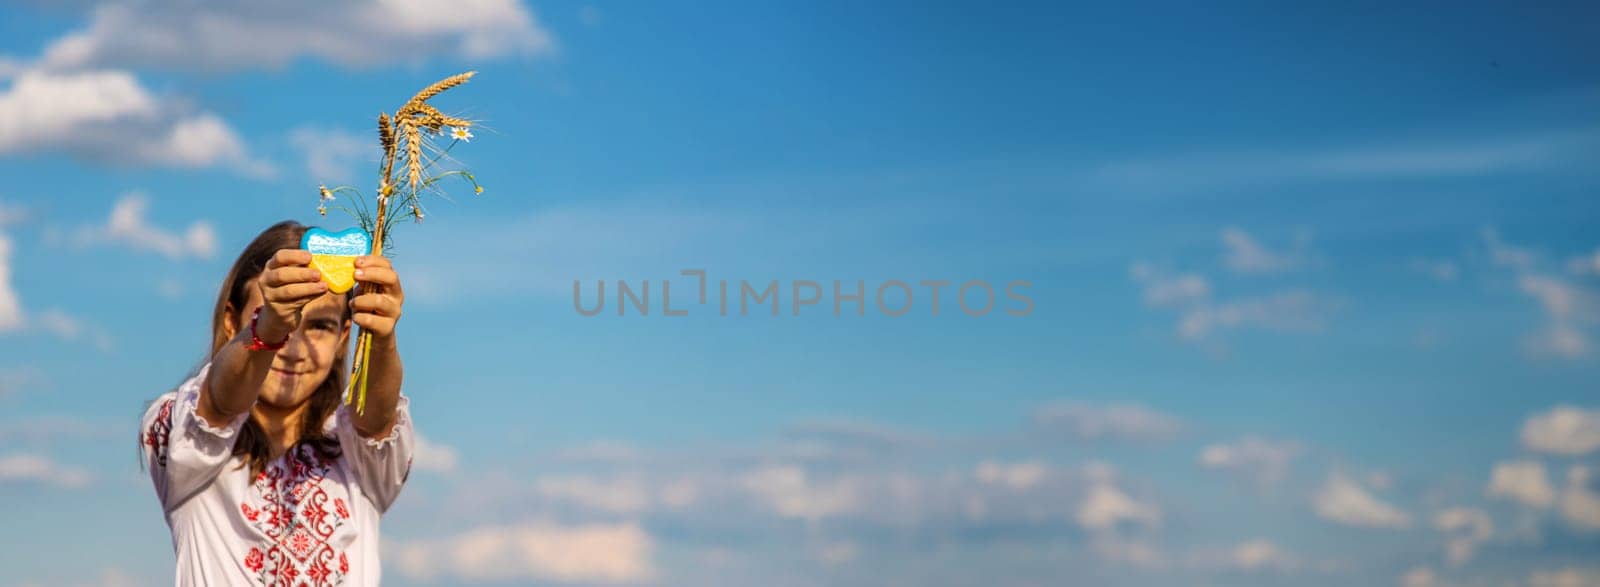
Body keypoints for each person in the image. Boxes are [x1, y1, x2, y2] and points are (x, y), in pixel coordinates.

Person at [139, 220, 412, 586]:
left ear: (345, 336)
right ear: (232, 321)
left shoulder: (357, 456)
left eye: (319, 327)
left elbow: (375, 420)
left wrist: (381, 336)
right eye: (274, 319)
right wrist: (267, 331)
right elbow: (219, 405)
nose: (294, 349)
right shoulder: (186, 443)